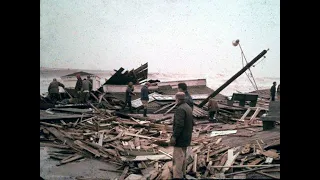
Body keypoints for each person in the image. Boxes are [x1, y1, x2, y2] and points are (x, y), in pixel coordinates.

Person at [170, 92, 193, 179]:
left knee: (178, 158)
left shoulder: (180, 109)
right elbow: (192, 123)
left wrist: (174, 137)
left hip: (180, 138)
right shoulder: (188, 107)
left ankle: (177, 177)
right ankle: (183, 174)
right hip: (187, 137)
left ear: (177, 99)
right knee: (183, 156)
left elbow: (179, 125)